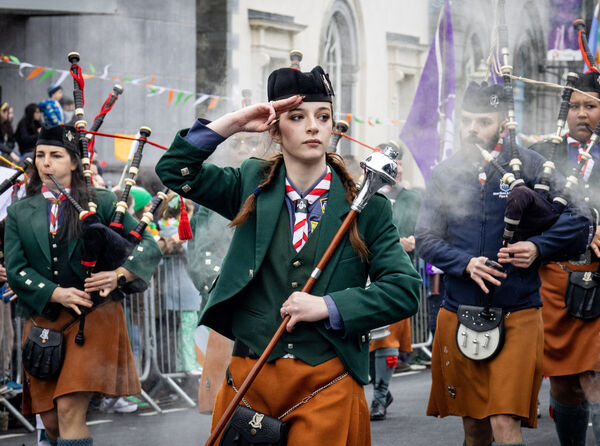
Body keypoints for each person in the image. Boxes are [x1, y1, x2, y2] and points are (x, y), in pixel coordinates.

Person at [156, 65, 421, 445]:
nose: (313, 126)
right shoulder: (249, 183)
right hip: (250, 380)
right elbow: (174, 170)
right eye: (297, 117)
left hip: (327, 383)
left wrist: (328, 306)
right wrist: (233, 122)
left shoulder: (368, 207)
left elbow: (403, 290)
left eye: (323, 116)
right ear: (275, 129)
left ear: (332, 126)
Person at [415, 81, 592, 446]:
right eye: (466, 121)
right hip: (458, 309)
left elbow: (579, 217)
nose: (472, 130)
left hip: (518, 312)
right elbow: (426, 239)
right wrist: (466, 264)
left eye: (482, 121)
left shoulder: (532, 165)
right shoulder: (445, 173)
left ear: (502, 122)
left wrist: (537, 247)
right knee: (474, 428)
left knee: (503, 419)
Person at [5, 124, 161, 446]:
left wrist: (120, 274)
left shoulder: (101, 202)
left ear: (74, 162)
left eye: (56, 156)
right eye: (41, 156)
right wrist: (54, 292)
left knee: (68, 410)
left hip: (92, 318)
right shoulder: (19, 212)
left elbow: (149, 245)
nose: (46, 163)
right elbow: (17, 268)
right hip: (43, 319)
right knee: (49, 419)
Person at [529, 71, 600, 445]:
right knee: (566, 383)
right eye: (574, 106)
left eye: (590, 105)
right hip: (556, 278)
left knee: (596, 380)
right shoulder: (542, 152)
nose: (581, 114)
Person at [369, 140, 422, 421]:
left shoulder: (412, 198)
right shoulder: (362, 192)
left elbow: (431, 232)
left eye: (398, 161)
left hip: (396, 275)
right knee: (368, 340)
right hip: (365, 274)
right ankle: (381, 388)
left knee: (386, 338)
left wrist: (416, 242)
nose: (396, 167)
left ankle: (379, 397)